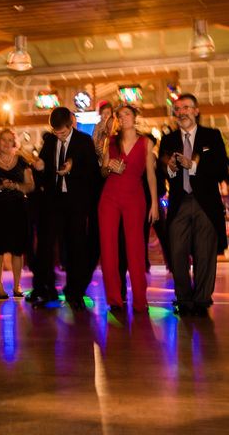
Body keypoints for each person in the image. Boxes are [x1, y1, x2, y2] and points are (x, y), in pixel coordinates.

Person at [159, 94, 228, 317]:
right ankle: (184, 299)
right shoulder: (168, 140)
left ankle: (201, 300)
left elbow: (220, 169)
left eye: (186, 107)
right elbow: (164, 172)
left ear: (196, 111)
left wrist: (195, 166)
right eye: (177, 109)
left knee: (205, 253)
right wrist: (170, 168)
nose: (181, 112)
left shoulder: (212, 136)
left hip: (205, 203)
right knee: (177, 252)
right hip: (179, 203)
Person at [29, 107, 100, 310]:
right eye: (55, 132)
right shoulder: (50, 141)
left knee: (76, 247)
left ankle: (74, 292)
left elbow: (93, 174)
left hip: (76, 202)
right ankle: (46, 288)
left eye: (62, 132)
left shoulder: (84, 141)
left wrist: (73, 168)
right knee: (45, 245)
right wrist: (41, 169)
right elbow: (43, 174)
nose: (59, 136)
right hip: (53, 201)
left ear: (71, 125)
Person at [98, 104, 159, 313]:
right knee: (108, 247)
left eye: (127, 114)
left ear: (134, 117)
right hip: (110, 196)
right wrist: (109, 166)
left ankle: (141, 300)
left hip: (134, 196)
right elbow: (104, 172)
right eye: (120, 115)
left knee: (135, 248)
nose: (123, 118)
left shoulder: (146, 142)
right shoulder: (111, 141)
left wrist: (154, 204)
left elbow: (151, 175)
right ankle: (114, 299)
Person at [0, 129, 35, 298]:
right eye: (4, 140)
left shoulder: (22, 162)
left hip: (18, 209)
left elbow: (30, 185)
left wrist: (16, 186)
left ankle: (17, 286)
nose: (7, 143)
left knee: (18, 250)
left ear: (14, 143)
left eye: (10, 140)